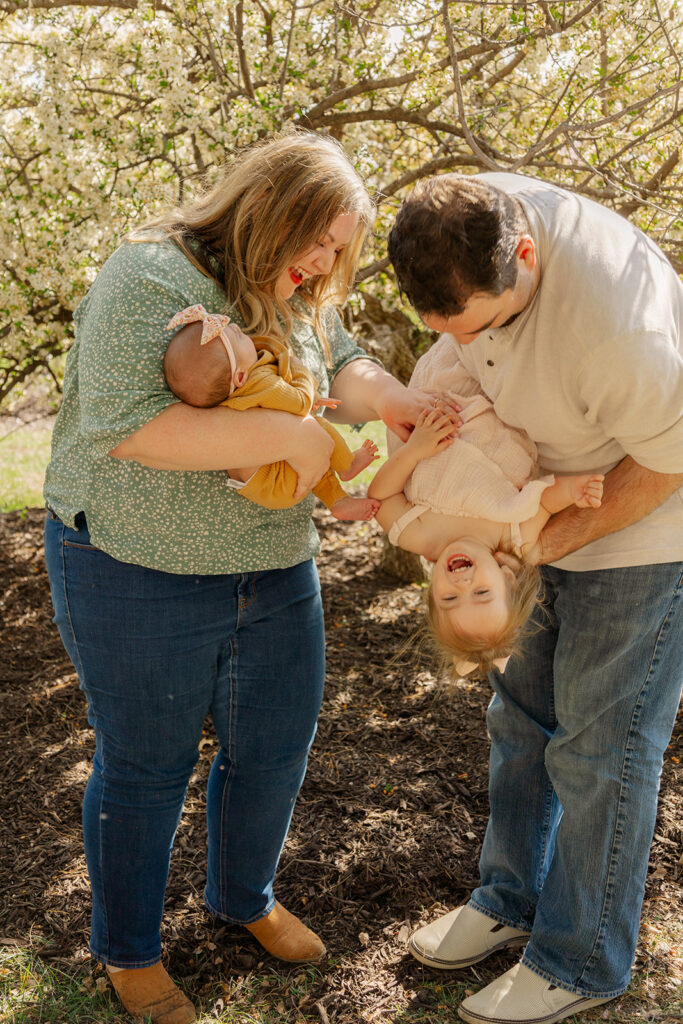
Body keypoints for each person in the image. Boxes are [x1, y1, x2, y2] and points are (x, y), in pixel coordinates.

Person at [43, 132, 442, 1024]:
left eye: (340, 250)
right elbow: (127, 425)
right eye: (318, 241)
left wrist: (391, 398)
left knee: (271, 754)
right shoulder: (148, 275)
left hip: (272, 569)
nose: (324, 262)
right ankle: (130, 953)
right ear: (268, 210)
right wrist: (294, 441)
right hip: (132, 570)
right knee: (148, 767)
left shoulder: (289, 288)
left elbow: (339, 361)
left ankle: (242, 898)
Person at [388, 172, 683, 1024]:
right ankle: (508, 900)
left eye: (485, 325)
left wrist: (537, 542)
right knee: (520, 721)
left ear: (526, 257)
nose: (469, 344)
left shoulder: (614, 329)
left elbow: (667, 460)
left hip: (640, 519)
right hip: (536, 508)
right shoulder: (461, 217)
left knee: (600, 747)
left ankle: (580, 958)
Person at [367, 356, 603, 673]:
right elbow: (544, 502)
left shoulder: (419, 535)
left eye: (449, 599)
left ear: (433, 597)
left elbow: (381, 496)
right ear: (506, 578)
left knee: (466, 336)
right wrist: (572, 492)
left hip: (444, 391)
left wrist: (415, 451)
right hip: (506, 401)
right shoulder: (514, 538)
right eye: (481, 592)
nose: (462, 583)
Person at [163, 303, 380, 521]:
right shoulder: (259, 384)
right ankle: (347, 465)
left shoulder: (236, 394)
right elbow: (300, 402)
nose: (239, 328)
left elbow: (284, 403)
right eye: (238, 336)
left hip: (260, 478)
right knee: (314, 426)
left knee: (311, 454)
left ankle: (339, 502)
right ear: (239, 377)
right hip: (273, 480)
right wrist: (297, 368)